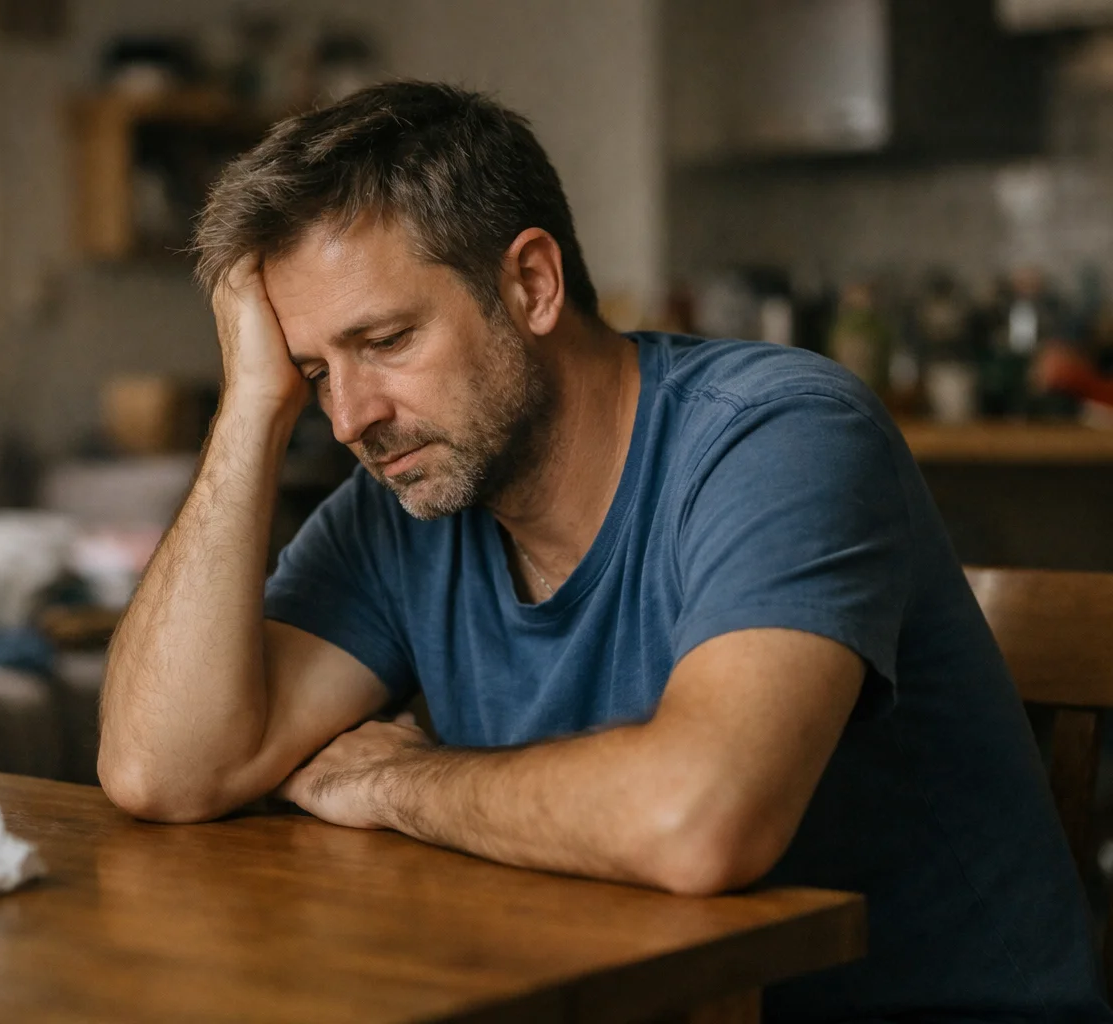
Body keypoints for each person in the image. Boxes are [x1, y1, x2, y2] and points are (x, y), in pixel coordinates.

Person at [97, 82, 1110, 1021]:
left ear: (532, 283)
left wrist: (394, 785)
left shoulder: (780, 432)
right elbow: (161, 772)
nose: (353, 415)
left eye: (387, 340)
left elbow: (700, 819)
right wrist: (250, 408)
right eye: (316, 369)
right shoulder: (403, 496)